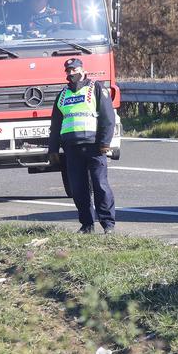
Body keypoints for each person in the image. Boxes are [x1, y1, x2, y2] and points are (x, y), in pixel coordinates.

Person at [47, 57, 117, 234]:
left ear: (83, 70)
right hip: (71, 148)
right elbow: (55, 125)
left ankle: (108, 225)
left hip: (94, 146)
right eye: (69, 70)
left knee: (100, 185)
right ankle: (87, 225)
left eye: (74, 69)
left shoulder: (96, 88)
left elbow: (108, 117)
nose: (72, 73)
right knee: (78, 189)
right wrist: (53, 149)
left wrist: (105, 142)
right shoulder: (62, 95)